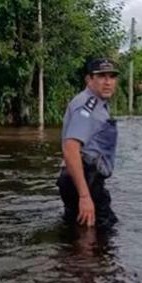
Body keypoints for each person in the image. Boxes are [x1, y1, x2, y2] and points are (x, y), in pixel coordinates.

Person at [57, 58, 120, 230]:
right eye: (101, 76)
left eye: (112, 77)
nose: (108, 82)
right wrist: (84, 196)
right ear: (89, 79)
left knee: (80, 233)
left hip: (85, 180)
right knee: (99, 238)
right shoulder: (87, 106)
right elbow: (70, 148)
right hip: (84, 180)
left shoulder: (98, 104)